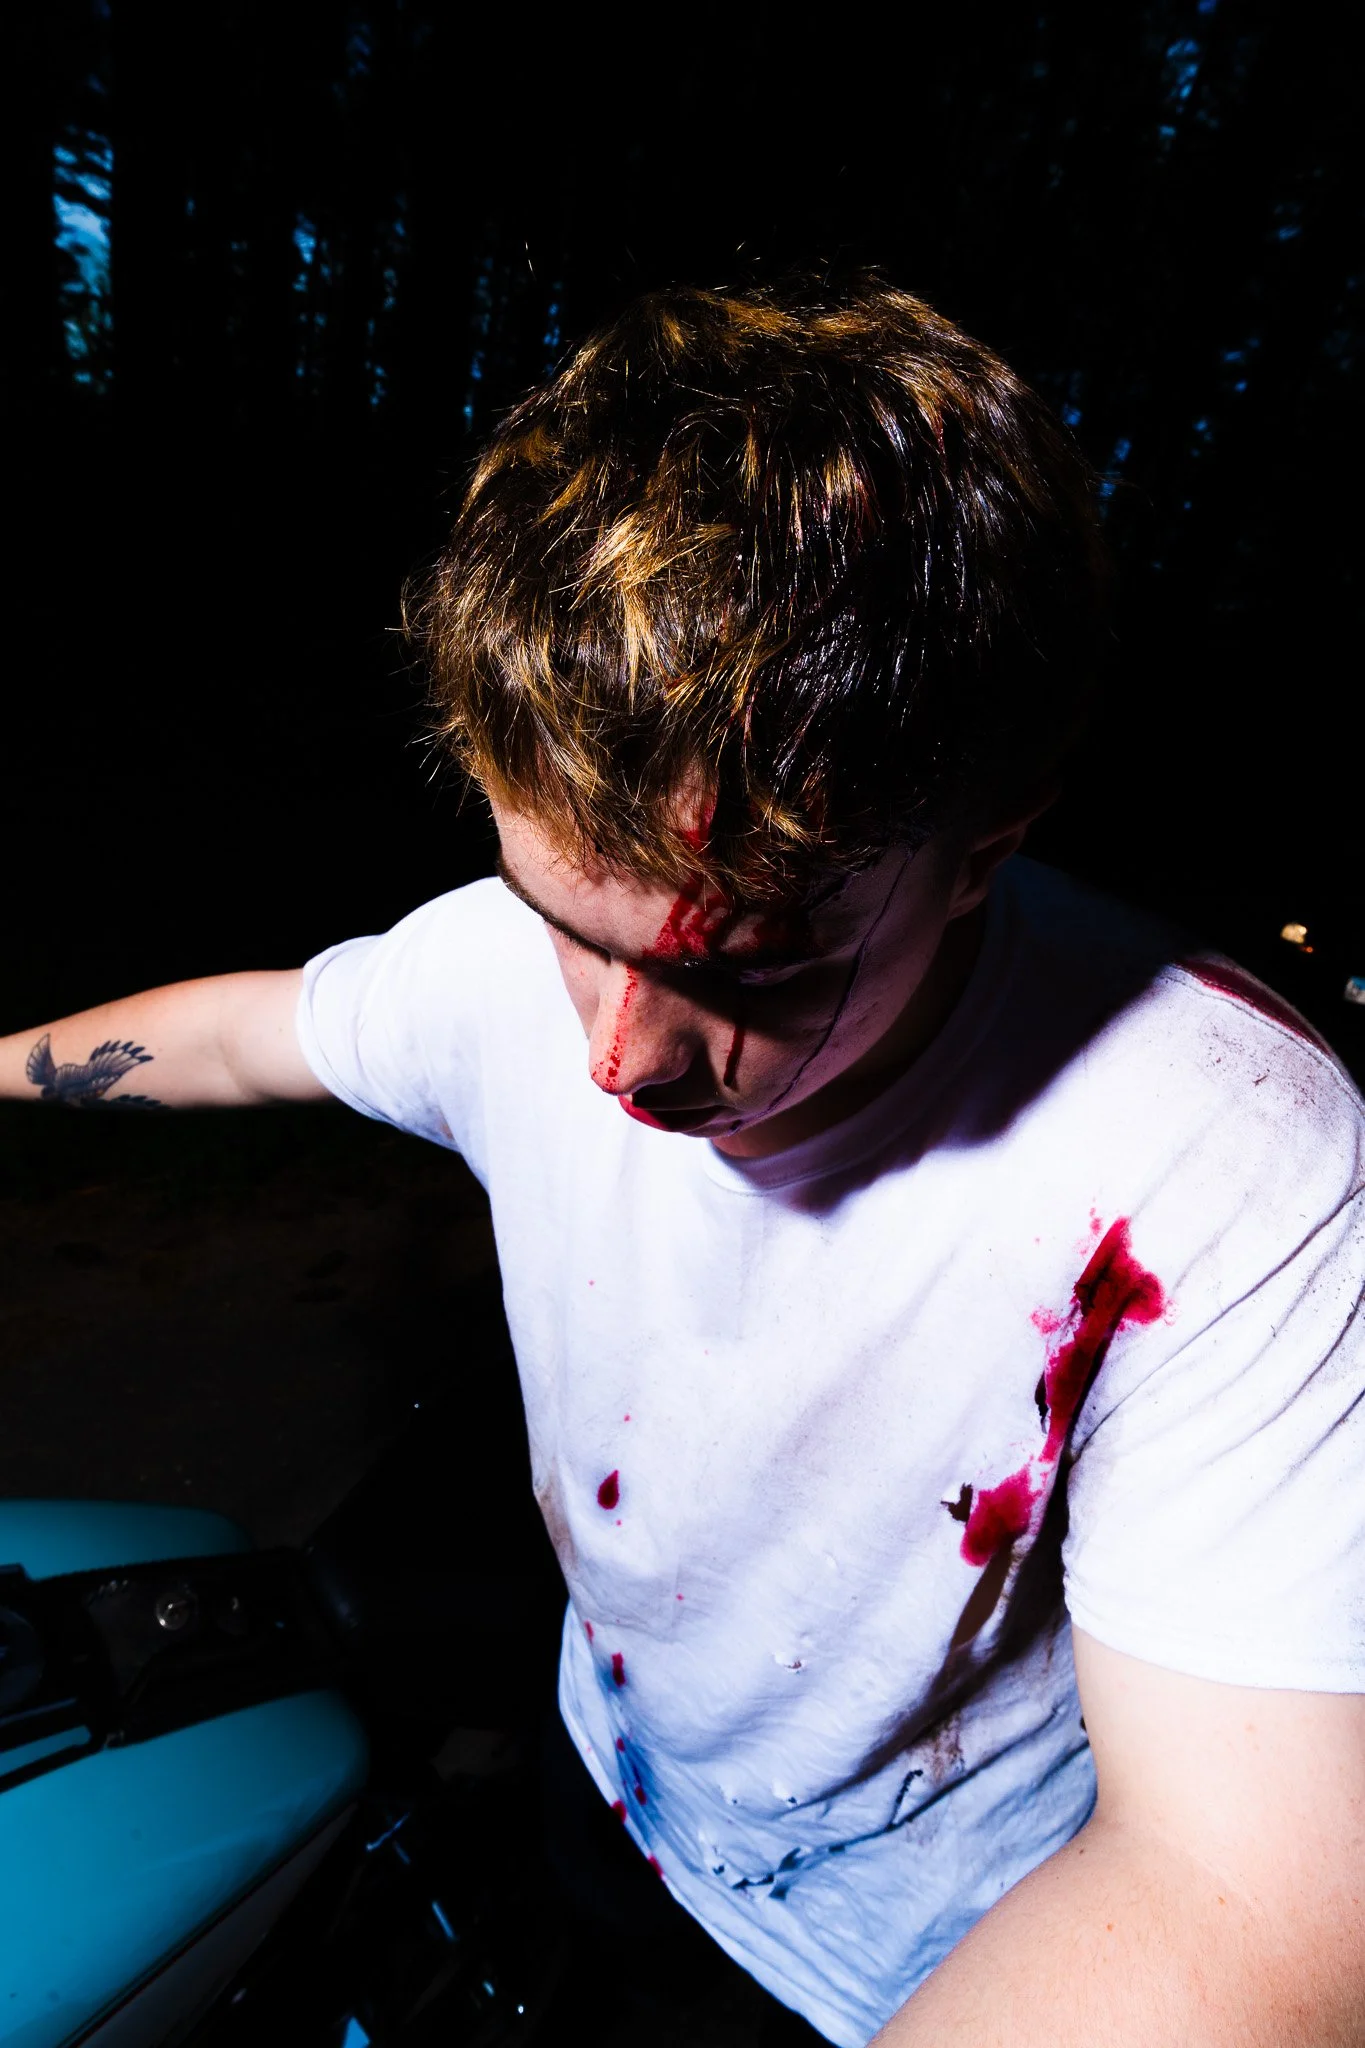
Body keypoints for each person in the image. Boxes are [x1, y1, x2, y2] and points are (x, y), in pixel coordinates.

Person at [4, 278, 1362, 2047]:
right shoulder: (502, 975)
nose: (620, 1060)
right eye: (568, 928)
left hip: (884, 1962)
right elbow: (243, 1034)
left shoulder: (1234, 1157)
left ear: (982, 851)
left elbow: (1243, 1902)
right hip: (600, 1764)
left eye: (754, 973)